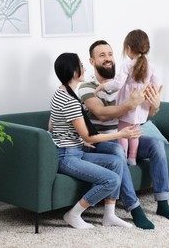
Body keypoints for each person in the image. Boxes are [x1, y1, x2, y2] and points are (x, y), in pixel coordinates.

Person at [78, 39, 169, 230]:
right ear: (92, 62)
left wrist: (155, 105)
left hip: (127, 135)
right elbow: (101, 114)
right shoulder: (87, 87)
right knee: (119, 151)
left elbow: (144, 115)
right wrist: (130, 104)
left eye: (110, 54)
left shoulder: (125, 83)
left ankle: (163, 203)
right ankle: (134, 208)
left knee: (156, 144)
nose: (108, 59)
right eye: (102, 55)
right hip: (103, 141)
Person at [50, 52, 142, 229]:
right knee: (112, 180)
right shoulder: (69, 100)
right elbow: (89, 136)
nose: (84, 68)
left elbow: (53, 124)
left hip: (74, 150)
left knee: (116, 161)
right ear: (73, 70)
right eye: (81, 65)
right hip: (67, 157)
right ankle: (73, 214)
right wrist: (121, 135)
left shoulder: (62, 93)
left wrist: (76, 140)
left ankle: (109, 215)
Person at [94, 29, 159, 166]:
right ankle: (132, 158)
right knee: (134, 132)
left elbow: (118, 84)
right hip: (141, 106)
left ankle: (123, 158)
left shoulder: (127, 65)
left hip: (129, 103)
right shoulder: (151, 67)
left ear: (128, 48)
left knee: (123, 132)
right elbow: (155, 87)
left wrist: (102, 86)